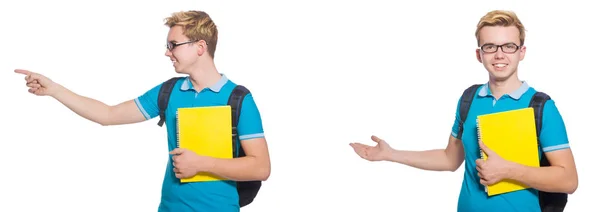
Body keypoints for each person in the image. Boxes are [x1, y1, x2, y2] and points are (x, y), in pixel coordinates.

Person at [15, 10, 271, 212]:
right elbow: (108, 115)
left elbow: (261, 168)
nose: (167, 52)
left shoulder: (238, 99)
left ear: (200, 47)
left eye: (173, 44)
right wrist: (55, 90)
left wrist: (201, 164)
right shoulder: (168, 92)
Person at [349, 10, 578, 211]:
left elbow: (568, 180)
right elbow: (450, 159)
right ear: (479, 54)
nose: (499, 54)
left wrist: (508, 170)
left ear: (522, 52)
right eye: (490, 46)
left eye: (509, 46)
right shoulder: (469, 99)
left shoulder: (540, 107)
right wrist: (391, 154)